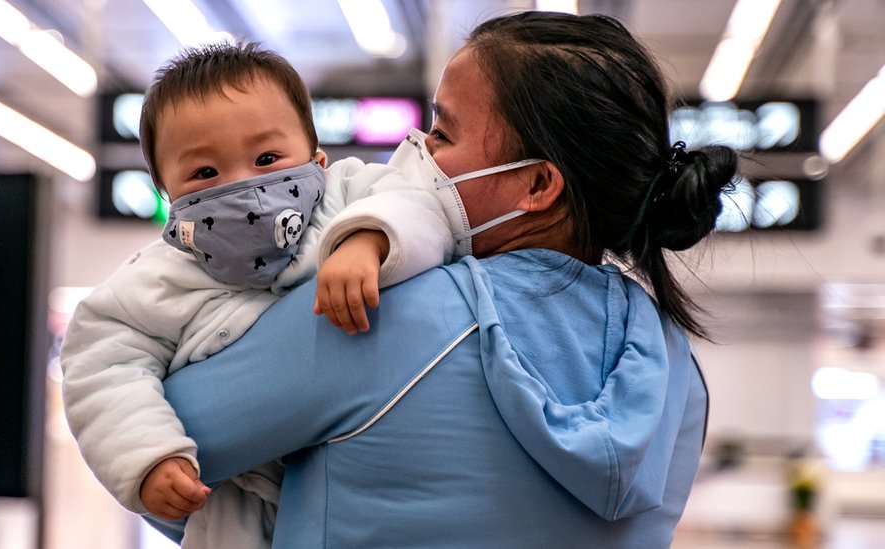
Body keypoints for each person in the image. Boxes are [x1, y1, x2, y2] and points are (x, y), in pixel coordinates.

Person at [152, 11, 739, 548]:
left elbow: (160, 452)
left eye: (444, 133)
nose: (419, 150)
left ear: (537, 185)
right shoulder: (674, 365)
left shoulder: (383, 312)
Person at [60, 42, 452, 549]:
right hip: (239, 512)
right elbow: (101, 365)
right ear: (168, 197)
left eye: (267, 159)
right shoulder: (156, 278)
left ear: (317, 161)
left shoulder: (348, 195)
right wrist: (148, 456)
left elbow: (421, 207)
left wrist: (367, 239)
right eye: (205, 173)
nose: (243, 186)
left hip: (372, 480)